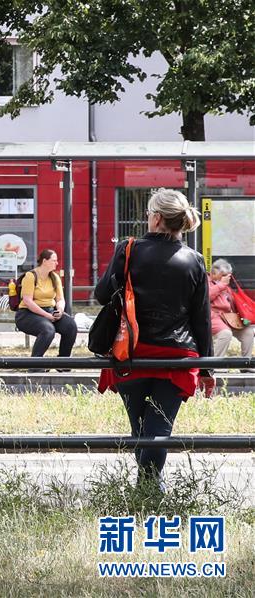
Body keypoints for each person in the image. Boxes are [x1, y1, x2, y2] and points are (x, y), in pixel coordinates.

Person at [96, 188, 214, 490]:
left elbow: (101, 295)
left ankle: (148, 488)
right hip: (177, 358)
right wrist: (207, 368)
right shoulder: (194, 260)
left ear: (157, 218)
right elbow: (201, 319)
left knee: (139, 427)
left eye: (149, 213)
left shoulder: (129, 249)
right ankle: (150, 487)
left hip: (131, 352)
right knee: (159, 426)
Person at [14, 249, 77, 362]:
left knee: (71, 326)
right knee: (48, 330)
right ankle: (35, 365)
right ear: (44, 261)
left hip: (50, 311)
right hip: (27, 314)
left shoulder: (55, 277)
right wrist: (47, 315)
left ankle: (63, 362)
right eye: (54, 260)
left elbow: (60, 299)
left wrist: (60, 310)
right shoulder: (30, 276)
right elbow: (28, 301)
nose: (57, 263)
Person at [208, 259, 254, 367]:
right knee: (225, 333)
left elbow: (232, 305)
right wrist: (221, 285)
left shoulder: (226, 286)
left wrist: (244, 315)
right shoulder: (205, 281)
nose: (227, 278)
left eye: (228, 275)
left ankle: (245, 364)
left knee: (248, 332)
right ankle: (214, 365)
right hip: (213, 316)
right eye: (224, 275)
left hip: (229, 317)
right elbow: (206, 297)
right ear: (214, 273)